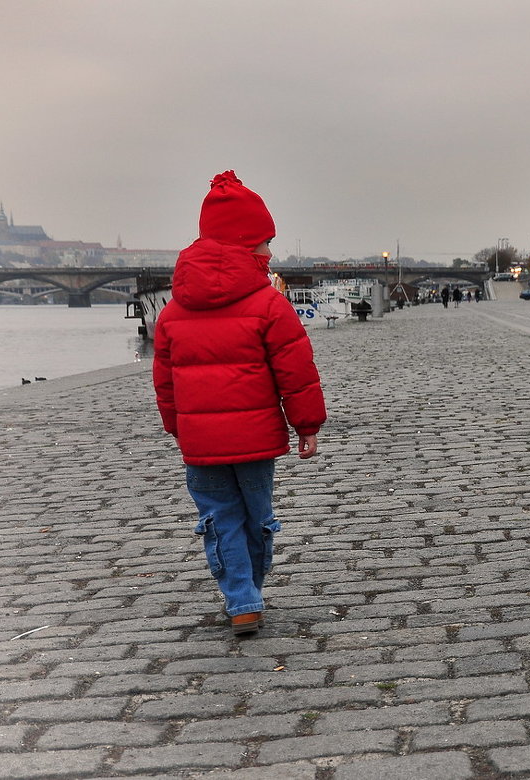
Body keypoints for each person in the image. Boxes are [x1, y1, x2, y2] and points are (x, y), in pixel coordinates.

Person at [153, 170, 326, 637]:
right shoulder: (270, 304)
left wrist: (176, 426)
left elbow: (164, 380)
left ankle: (241, 597)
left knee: (219, 516)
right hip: (256, 440)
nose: (269, 252)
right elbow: (296, 370)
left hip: (200, 442)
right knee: (256, 515)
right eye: (263, 243)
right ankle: (251, 589)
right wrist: (306, 425)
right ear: (245, 246)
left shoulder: (172, 310)